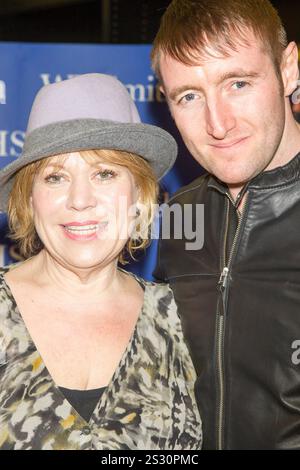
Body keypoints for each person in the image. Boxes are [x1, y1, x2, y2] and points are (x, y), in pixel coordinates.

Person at [0, 73, 202, 450]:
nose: (80, 199)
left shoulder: (183, 319)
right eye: (55, 177)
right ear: (29, 199)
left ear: (140, 194)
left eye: (104, 173)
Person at [151, 0, 300, 450]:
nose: (218, 124)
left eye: (237, 83)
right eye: (189, 96)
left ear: (289, 70)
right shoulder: (181, 214)